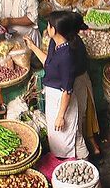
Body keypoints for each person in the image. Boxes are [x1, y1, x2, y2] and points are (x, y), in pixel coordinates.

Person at [23, 11, 88, 159]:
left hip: (62, 101)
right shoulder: (56, 44)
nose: (46, 28)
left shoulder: (66, 56)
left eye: (49, 25)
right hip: (54, 98)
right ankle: (71, 165)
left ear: (54, 30)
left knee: (70, 138)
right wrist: (32, 46)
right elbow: (49, 64)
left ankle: (82, 166)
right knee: (63, 138)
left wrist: (60, 116)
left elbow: (67, 90)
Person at [68, 12, 101, 157]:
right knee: (88, 115)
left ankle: (85, 154)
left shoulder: (71, 45)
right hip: (84, 80)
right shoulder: (77, 40)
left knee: (79, 117)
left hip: (79, 83)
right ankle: (94, 146)